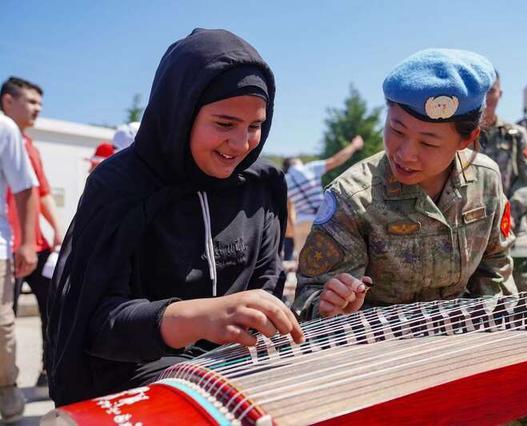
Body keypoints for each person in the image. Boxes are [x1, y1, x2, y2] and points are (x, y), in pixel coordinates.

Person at [293, 48, 527, 426]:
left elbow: (495, 272)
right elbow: (308, 299)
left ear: (466, 140)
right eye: (396, 129)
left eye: (429, 143)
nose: (406, 153)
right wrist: (330, 305)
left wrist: (505, 349)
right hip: (380, 367)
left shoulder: (485, 181)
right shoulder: (352, 197)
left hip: (465, 351)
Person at [46, 29, 304, 407]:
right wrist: (196, 318)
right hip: (135, 384)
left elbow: (266, 289)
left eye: (255, 126)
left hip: (238, 378)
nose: (241, 144)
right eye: (224, 124)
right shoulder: (121, 186)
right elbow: (93, 324)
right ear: (179, 111)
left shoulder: (260, 186)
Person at [0, 76, 63, 388]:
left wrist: (56, 229)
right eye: (31, 102)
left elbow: (41, 192)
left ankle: (49, 368)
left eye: (40, 103)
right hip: (7, 247)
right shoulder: (6, 136)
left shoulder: (31, 147)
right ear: (8, 101)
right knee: (5, 319)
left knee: (53, 308)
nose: (37, 108)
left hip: (33, 246)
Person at [479, 73, 527, 292]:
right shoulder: (463, 135)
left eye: (491, 91)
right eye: (482, 91)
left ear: (500, 94)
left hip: (512, 228)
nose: (487, 98)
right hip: (474, 228)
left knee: (526, 282)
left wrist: (508, 216)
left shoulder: (517, 135)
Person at [0, 114, 38, 423]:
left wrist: (27, 242)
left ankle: (6, 386)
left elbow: (26, 188)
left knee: (2, 325)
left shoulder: (4, 127)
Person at [283, 135, 364, 256]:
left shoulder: (285, 180)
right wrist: (354, 146)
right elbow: (336, 160)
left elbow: (288, 208)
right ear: (296, 162)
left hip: (301, 223)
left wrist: (291, 227)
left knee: (304, 263)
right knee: (327, 259)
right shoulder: (310, 168)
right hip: (321, 219)